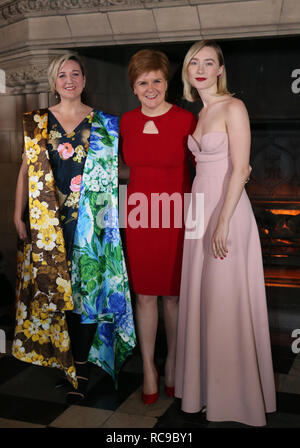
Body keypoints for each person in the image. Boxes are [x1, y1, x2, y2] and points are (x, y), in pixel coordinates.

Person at [13, 53, 136, 404]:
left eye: (75, 74)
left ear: (84, 79)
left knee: (84, 295)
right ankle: (61, 360)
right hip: (46, 225)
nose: (69, 80)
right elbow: (25, 170)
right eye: (62, 75)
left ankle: (80, 366)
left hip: (90, 224)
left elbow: (118, 171)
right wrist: (16, 214)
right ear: (54, 82)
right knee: (53, 291)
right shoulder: (37, 122)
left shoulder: (105, 124)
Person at [175, 40, 276, 426]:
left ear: (220, 69)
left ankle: (235, 399)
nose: (200, 68)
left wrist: (222, 221)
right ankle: (205, 391)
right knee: (203, 301)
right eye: (193, 63)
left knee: (224, 302)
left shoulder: (234, 107)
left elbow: (241, 169)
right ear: (187, 71)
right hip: (200, 210)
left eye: (208, 62)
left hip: (228, 212)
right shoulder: (199, 114)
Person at [119, 49, 196, 405]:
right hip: (137, 214)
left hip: (178, 215)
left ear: (168, 83)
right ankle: (148, 367)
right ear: (134, 88)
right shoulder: (125, 122)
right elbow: (122, 171)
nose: (150, 88)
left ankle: (174, 366)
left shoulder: (187, 119)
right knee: (145, 294)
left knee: (175, 297)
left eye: (157, 81)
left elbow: (203, 170)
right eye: (142, 82)